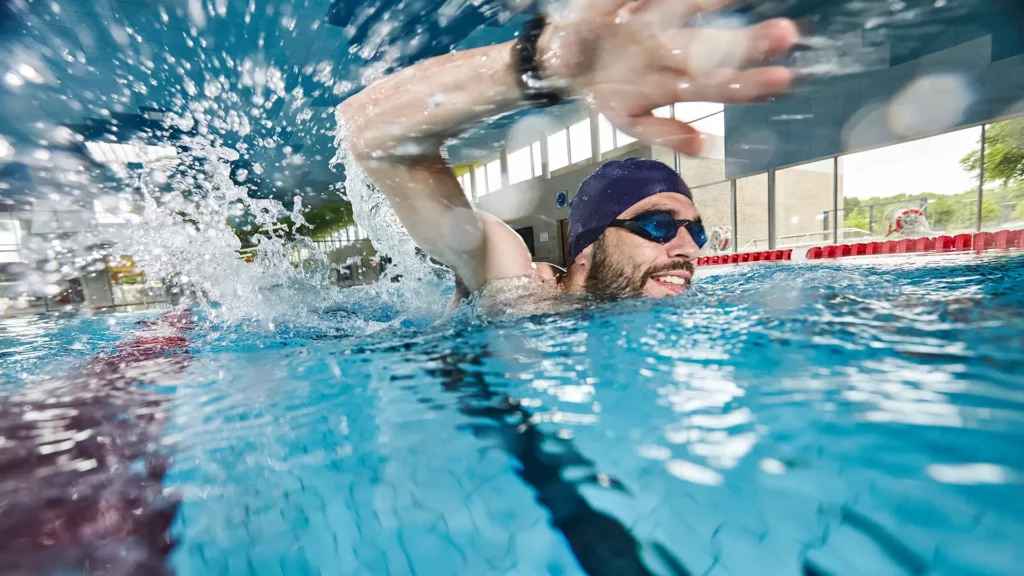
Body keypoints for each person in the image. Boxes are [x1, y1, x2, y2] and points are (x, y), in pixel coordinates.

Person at [340, 0, 798, 306]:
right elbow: (374, 134)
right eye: (657, 225)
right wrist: (545, 65)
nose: (686, 250)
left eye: (695, 234)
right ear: (586, 249)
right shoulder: (514, 280)